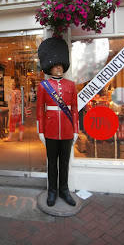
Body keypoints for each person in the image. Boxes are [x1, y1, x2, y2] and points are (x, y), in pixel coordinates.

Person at [36, 38, 79, 207]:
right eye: (55, 66)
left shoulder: (71, 85)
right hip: (50, 130)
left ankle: (64, 190)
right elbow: (40, 109)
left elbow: (74, 109)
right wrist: (40, 130)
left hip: (67, 130)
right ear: (50, 68)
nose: (58, 68)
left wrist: (76, 130)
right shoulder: (43, 86)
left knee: (65, 162)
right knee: (52, 163)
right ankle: (52, 191)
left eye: (60, 65)